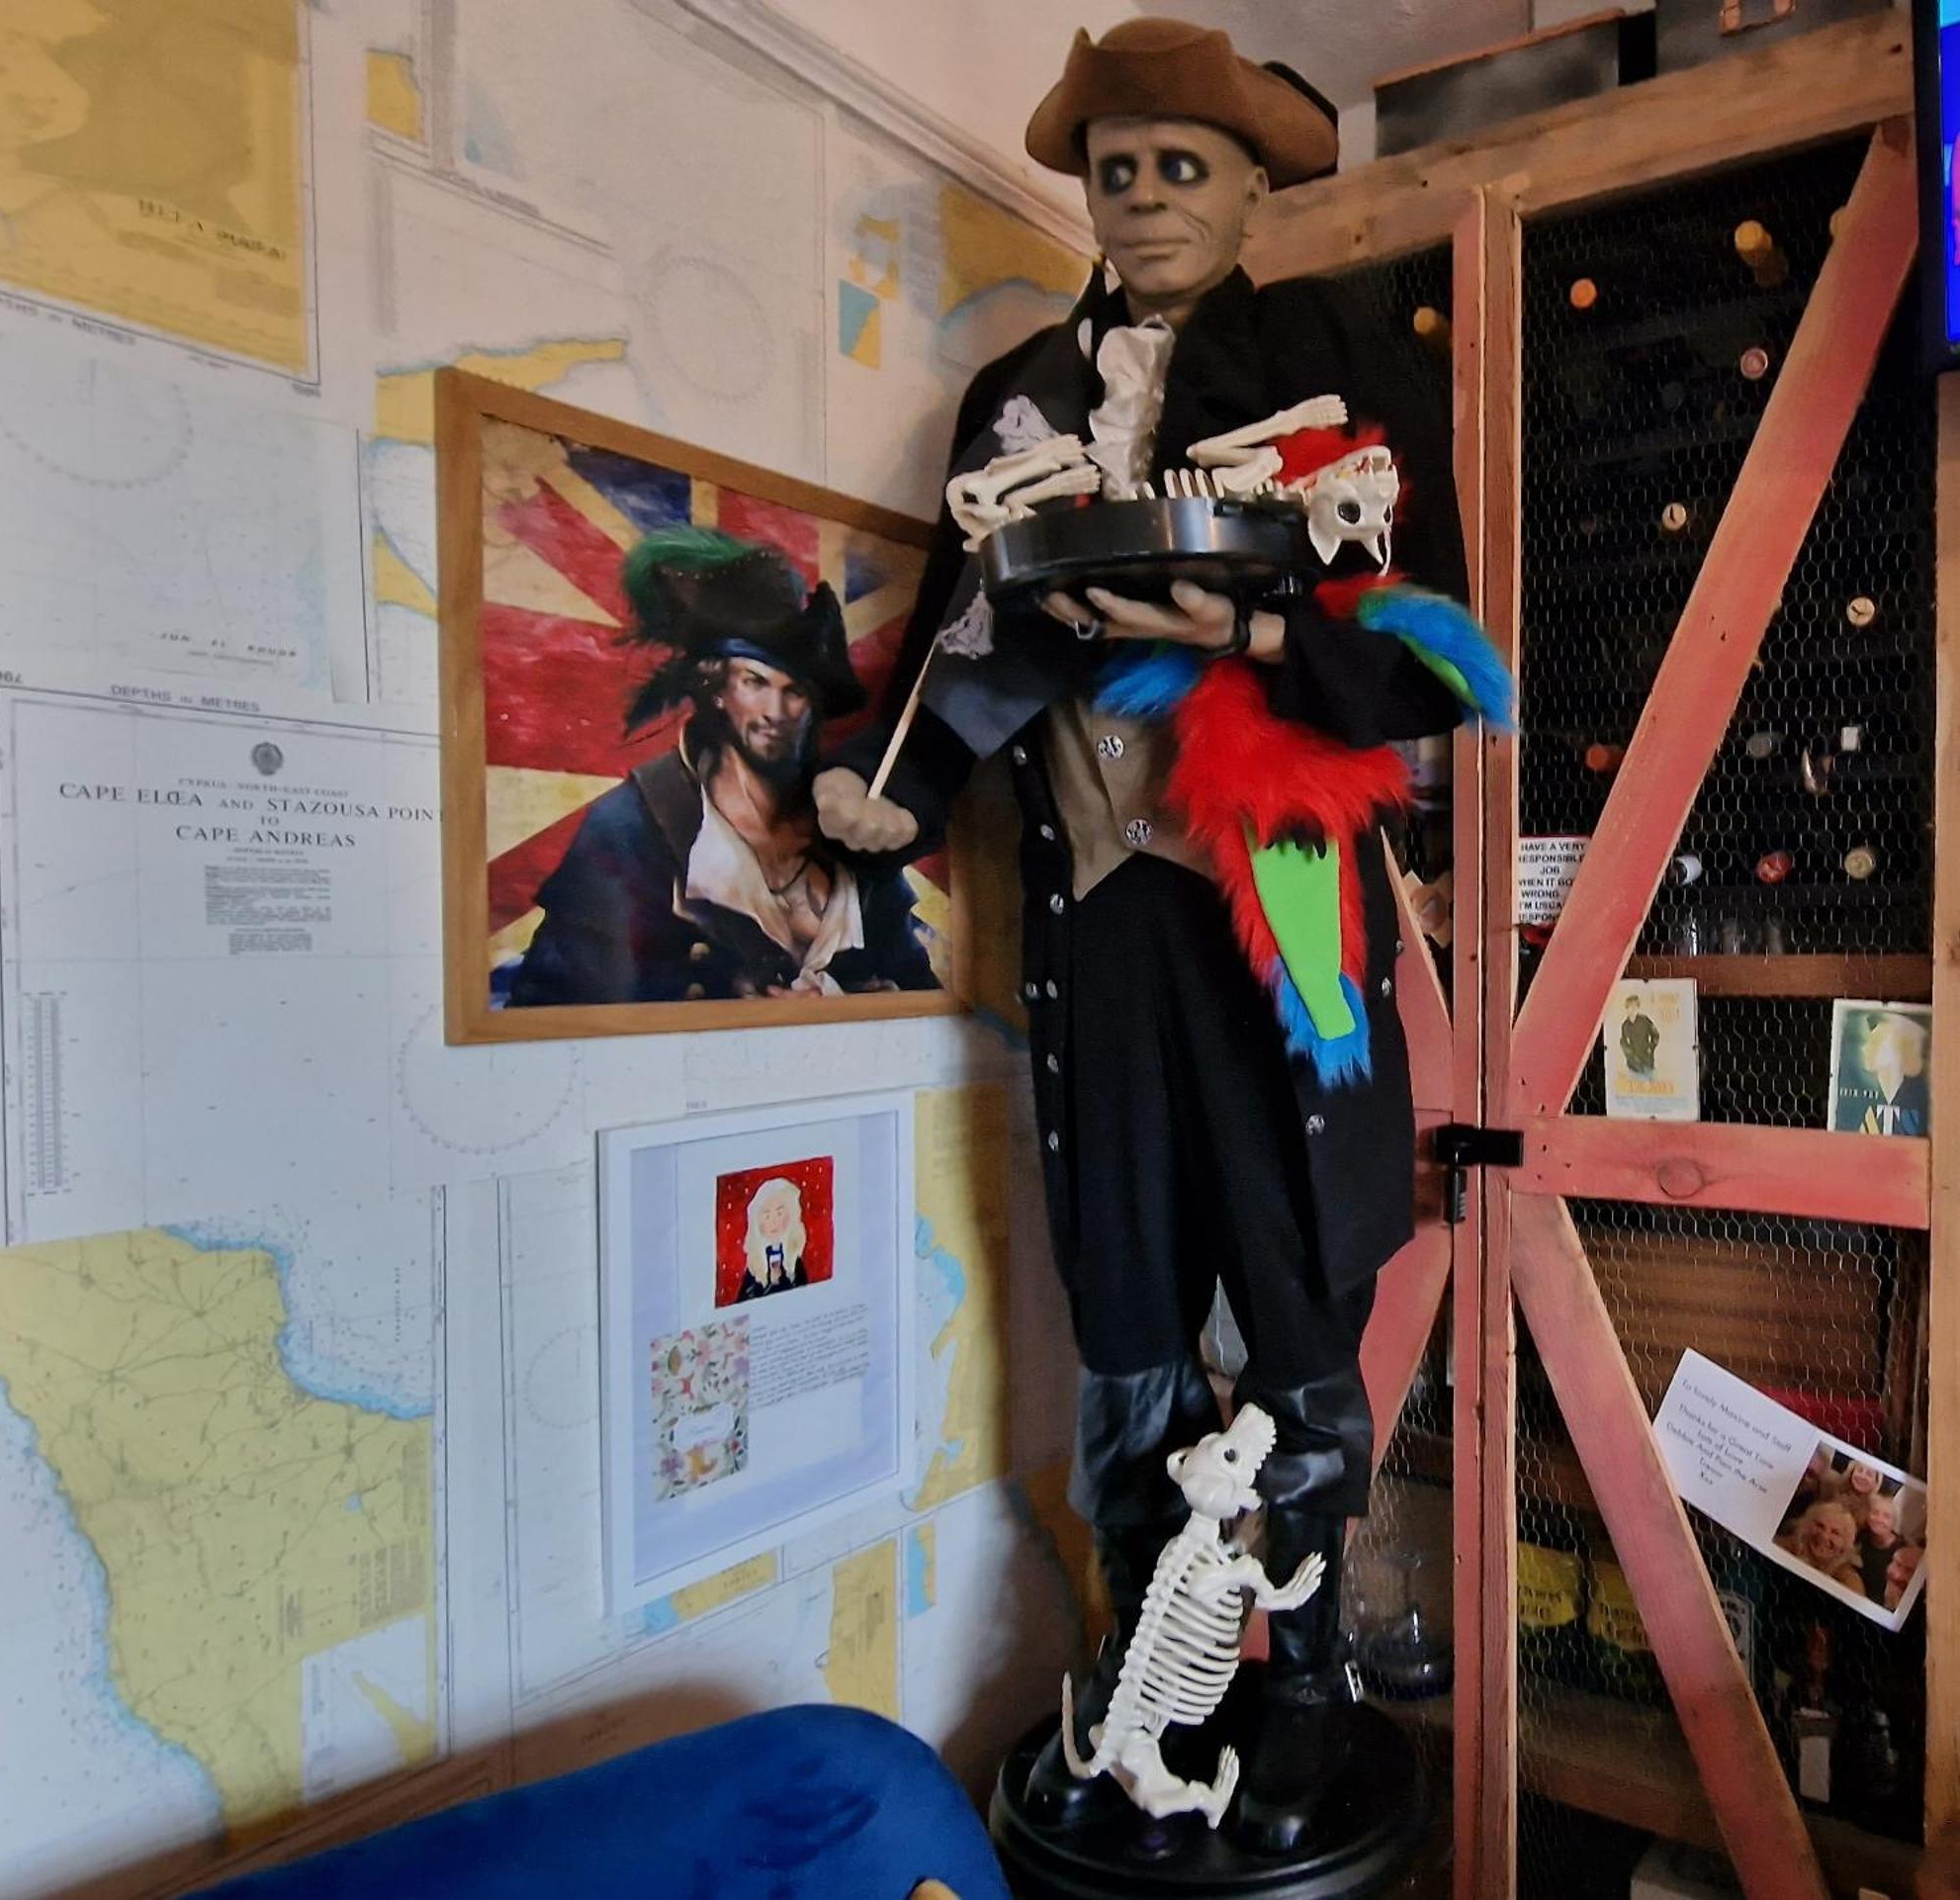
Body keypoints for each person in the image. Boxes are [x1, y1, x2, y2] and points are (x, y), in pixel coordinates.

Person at [813, 19, 1503, 1853]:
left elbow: (1428, 641)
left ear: (1254, 185)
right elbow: (964, 634)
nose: (1142, 198)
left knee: (1293, 1269)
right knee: (1120, 1285)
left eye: (1180, 167)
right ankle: (1147, 1665)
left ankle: (1308, 1673)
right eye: (1116, 169)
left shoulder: (1331, 351)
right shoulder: (1020, 395)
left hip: (1274, 889)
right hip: (1097, 906)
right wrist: (888, 785)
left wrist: (1254, 636)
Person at [505, 527, 940, 1006]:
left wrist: (861, 1003)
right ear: (717, 689)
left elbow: (915, 987)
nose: (775, 712)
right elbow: (553, 1009)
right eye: (755, 682)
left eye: (795, 692)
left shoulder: (843, 827)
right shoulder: (629, 828)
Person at [735, 1176, 809, 1303]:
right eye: (767, 1215)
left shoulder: (794, 1262)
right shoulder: (755, 1267)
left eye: (779, 1214)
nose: (774, 1222)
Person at [1776, 1500, 1865, 1593]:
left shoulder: (1849, 1583)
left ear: (1845, 1545)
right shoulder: (1782, 1547)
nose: (1824, 1536)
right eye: (1820, 1526)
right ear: (1807, 1526)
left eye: (1835, 1533)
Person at [1619, 994, 1659, 1078]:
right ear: (1626, 1008)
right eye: (1630, 1007)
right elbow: (1623, 1043)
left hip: (1647, 1062)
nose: (1632, 1009)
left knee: (1651, 1083)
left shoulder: (1645, 1020)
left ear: (1638, 1008)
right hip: (1633, 1066)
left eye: (1635, 1006)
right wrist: (1631, 1056)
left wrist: (1650, 1048)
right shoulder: (1625, 1025)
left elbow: (1655, 1035)